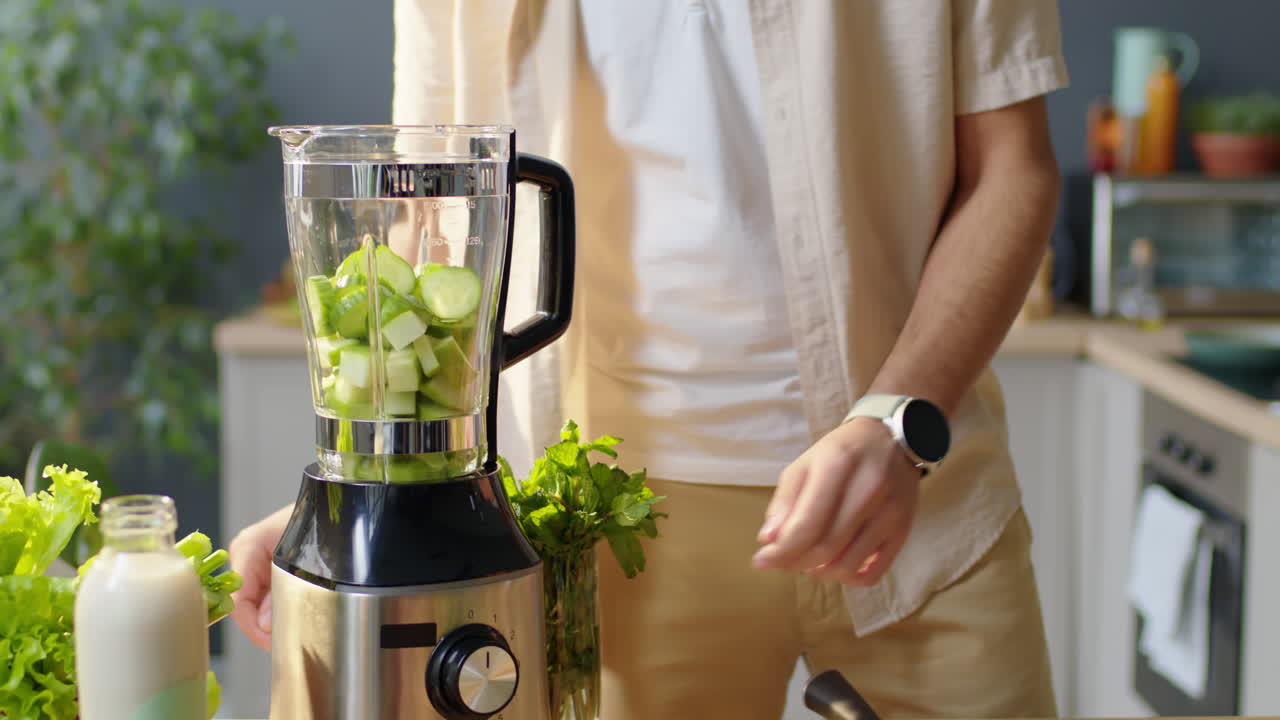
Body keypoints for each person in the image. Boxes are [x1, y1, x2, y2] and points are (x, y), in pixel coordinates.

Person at [229, 1, 1070, 717]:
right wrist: (363, 502)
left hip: (918, 496)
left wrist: (895, 421)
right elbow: (433, 220)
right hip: (620, 526)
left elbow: (1013, 167)